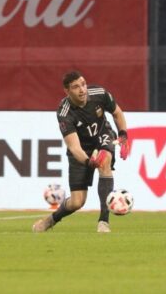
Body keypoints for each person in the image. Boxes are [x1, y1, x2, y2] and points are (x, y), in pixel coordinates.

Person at [33, 70, 130, 233]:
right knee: (77, 202)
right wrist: (88, 162)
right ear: (67, 91)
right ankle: (51, 220)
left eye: (83, 84)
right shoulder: (64, 112)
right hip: (81, 148)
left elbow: (117, 113)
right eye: (76, 87)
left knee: (105, 161)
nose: (82, 89)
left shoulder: (100, 94)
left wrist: (123, 135)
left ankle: (103, 222)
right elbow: (74, 147)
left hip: (102, 135)